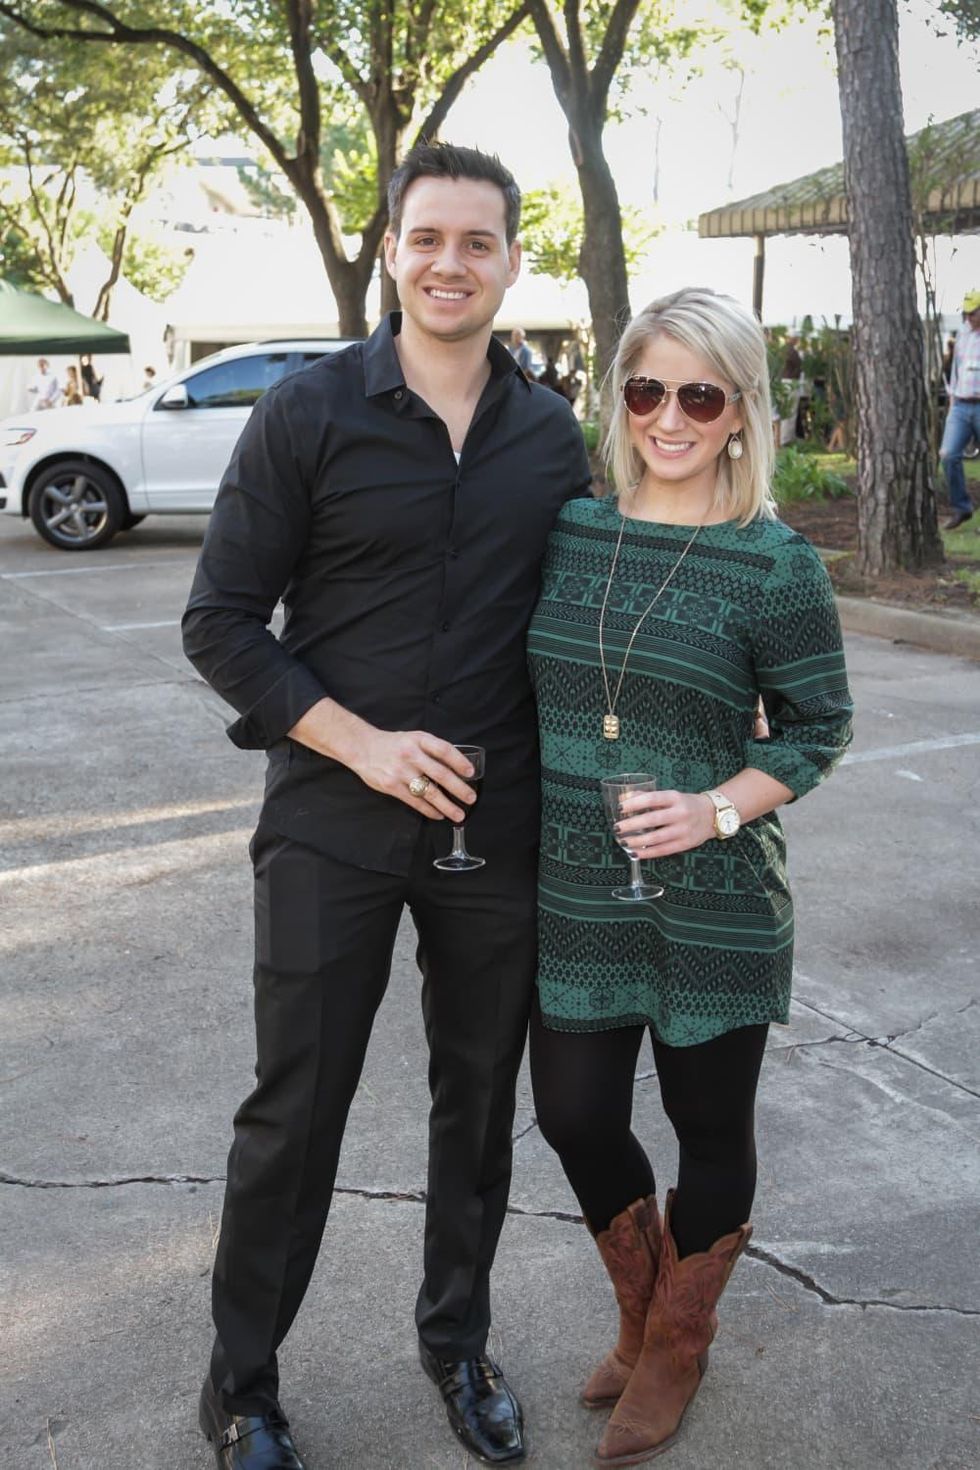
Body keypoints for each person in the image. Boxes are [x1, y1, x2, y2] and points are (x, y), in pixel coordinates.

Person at [182, 141, 591, 1470]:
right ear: (392, 249)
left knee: (477, 1108)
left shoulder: (551, 435)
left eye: (478, 241)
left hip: (500, 825)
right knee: (294, 1111)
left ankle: (455, 1344)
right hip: (330, 816)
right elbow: (222, 622)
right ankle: (242, 1385)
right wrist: (361, 744)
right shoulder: (307, 412)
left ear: (512, 261)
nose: (450, 263)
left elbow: (592, 617)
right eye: (428, 238)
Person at [526, 287, 853, 1465]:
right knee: (570, 1113)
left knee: (706, 1122)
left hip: (713, 894)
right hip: (572, 883)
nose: (669, 416)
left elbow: (816, 730)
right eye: (646, 388)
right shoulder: (567, 529)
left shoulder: (773, 565)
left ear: (738, 411)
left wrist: (715, 806)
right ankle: (639, 1310)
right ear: (618, 396)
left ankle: (675, 1345)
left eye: (698, 394)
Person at [939, 288, 980, 529]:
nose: (968, 318)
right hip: (961, 405)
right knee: (948, 454)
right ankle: (962, 507)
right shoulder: (964, 334)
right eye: (965, 314)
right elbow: (957, 367)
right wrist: (952, 399)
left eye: (972, 313)